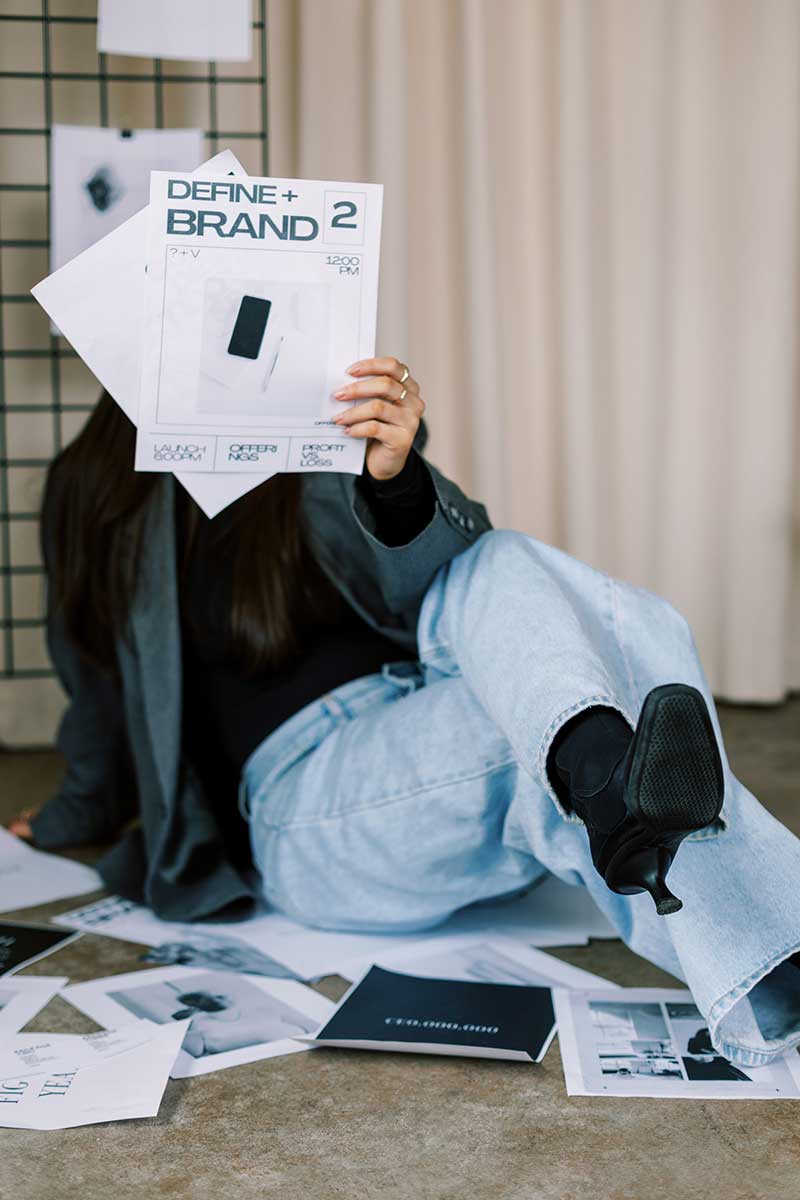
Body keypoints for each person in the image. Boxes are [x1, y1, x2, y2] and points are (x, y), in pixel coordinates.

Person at [8, 358, 800, 1069]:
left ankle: (605, 775)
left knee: (505, 563)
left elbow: (452, 582)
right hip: (305, 806)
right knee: (591, 682)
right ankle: (626, 793)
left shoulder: (319, 434)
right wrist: (72, 812)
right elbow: (98, 690)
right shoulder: (96, 486)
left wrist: (393, 478)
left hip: (423, 716)